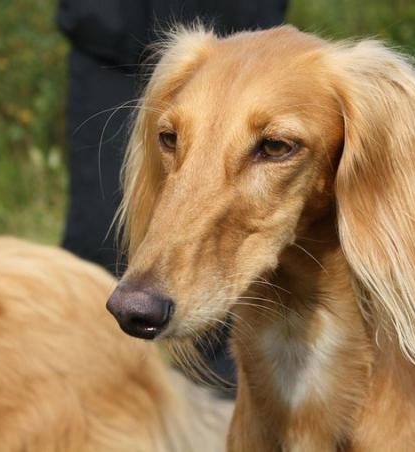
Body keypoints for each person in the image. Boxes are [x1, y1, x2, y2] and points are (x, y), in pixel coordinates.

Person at [56, 0, 288, 391]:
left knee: (235, 267)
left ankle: (222, 396)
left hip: (235, 31)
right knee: (96, 236)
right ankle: (90, 396)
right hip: (107, 35)